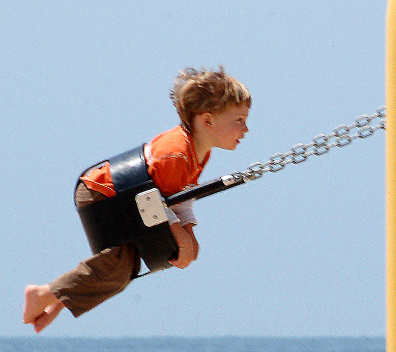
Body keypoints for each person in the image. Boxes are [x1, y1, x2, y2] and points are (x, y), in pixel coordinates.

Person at [23, 67, 251, 333]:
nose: (246, 128)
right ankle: (43, 295)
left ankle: (54, 302)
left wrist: (189, 234)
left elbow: (179, 197)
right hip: (103, 192)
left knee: (121, 272)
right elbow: (150, 202)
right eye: (239, 120)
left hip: (133, 198)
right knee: (118, 265)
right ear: (207, 121)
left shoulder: (199, 152)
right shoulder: (175, 154)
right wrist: (180, 236)